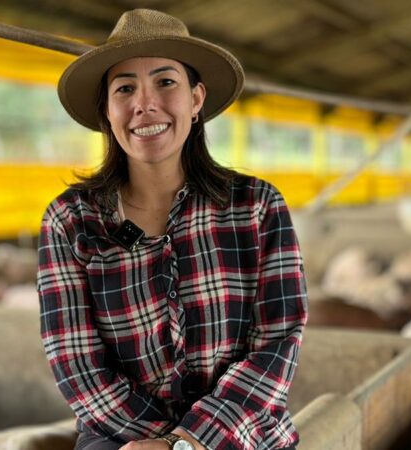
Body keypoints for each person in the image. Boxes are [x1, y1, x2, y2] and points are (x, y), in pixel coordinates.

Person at [38, 9, 307, 450]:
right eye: (125, 88)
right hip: (120, 435)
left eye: (165, 82)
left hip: (242, 432)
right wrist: (156, 443)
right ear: (107, 109)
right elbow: (75, 361)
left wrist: (188, 442)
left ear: (196, 99)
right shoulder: (72, 220)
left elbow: (279, 340)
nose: (145, 104)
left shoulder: (256, 206)